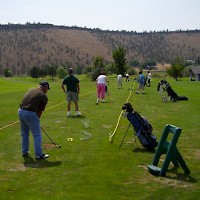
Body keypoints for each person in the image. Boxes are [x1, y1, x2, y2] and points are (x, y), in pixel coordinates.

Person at [18, 81, 50, 159]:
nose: (47, 91)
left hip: (20, 111)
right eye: (47, 89)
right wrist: (36, 120)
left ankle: (24, 152)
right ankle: (38, 154)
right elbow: (39, 111)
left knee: (24, 133)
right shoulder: (43, 96)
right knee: (37, 135)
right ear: (44, 87)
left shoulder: (31, 89)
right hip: (30, 113)